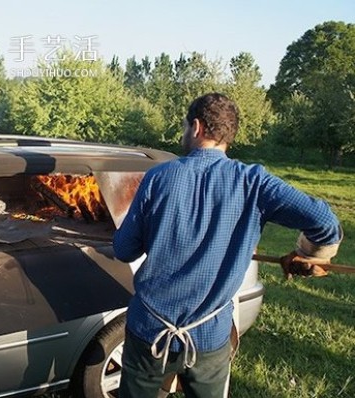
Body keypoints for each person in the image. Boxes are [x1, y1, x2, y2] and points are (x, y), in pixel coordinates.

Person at [113, 93, 342, 398]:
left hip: (149, 331)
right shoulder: (254, 183)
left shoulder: (157, 178)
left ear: (196, 127)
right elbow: (325, 222)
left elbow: (124, 249)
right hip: (209, 336)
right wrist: (308, 255)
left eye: (184, 127)